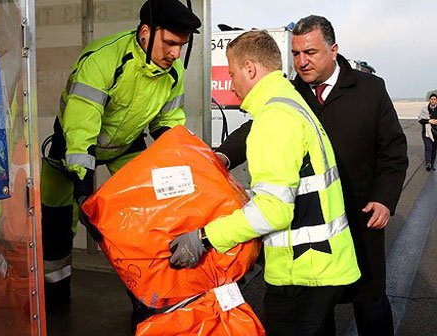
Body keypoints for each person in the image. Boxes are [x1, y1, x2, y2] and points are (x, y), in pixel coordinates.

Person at [216, 15, 408, 336]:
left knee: (369, 301)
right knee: (318, 308)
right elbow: (254, 126)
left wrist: (384, 199)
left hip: (361, 214)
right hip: (315, 219)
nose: (302, 62)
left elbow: (393, 150)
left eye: (311, 53)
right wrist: (223, 154)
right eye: (295, 54)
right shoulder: (293, 91)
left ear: (333, 50)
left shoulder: (370, 90)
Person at [169, 30, 360, 335]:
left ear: (250, 69)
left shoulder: (273, 119)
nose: (231, 86)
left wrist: (203, 237)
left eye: (232, 75)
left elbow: (273, 211)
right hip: (322, 266)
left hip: (301, 275)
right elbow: (294, 187)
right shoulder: (292, 104)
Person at [40, 0, 201, 311]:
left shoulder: (173, 70)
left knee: (145, 220)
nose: (175, 54)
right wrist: (84, 192)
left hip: (124, 145)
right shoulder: (102, 60)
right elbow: (80, 128)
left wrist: (181, 157)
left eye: (181, 45)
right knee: (57, 222)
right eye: (169, 43)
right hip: (73, 145)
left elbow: (167, 121)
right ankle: (54, 296)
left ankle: (146, 300)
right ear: (145, 33)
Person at [418, 93, 437, 171]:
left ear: (436, 101)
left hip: (435, 132)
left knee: (434, 149)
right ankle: (428, 163)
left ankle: (432, 163)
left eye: (434, 99)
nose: (433, 101)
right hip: (426, 132)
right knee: (428, 147)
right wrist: (429, 121)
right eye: (431, 99)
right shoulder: (424, 110)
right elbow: (420, 120)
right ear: (429, 100)